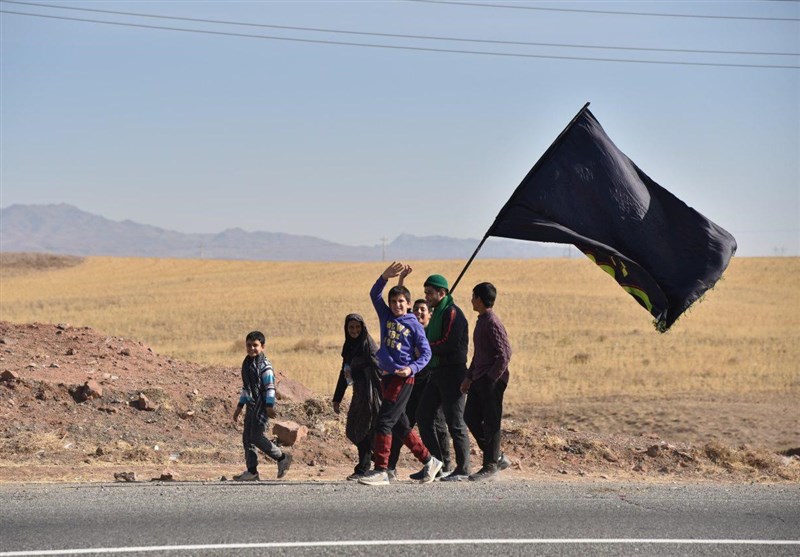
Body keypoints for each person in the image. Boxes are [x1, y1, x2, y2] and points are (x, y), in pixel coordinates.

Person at [359, 261, 443, 486]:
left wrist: (411, 368)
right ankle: (430, 461)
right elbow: (374, 294)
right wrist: (384, 277)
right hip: (386, 377)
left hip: (402, 378)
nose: (397, 304)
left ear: (408, 304)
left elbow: (426, 353)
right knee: (401, 425)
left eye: (402, 301)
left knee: (384, 422)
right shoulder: (386, 317)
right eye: (394, 301)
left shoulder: (413, 323)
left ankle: (382, 470)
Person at [387, 298, 453, 479]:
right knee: (402, 425)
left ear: (430, 314)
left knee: (436, 425)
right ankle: (390, 466)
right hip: (411, 386)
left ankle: (443, 465)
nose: (418, 312)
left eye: (423, 309)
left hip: (430, 384)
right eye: (415, 309)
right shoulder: (410, 330)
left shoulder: (432, 334)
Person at [415, 273, 472, 482]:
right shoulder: (437, 312)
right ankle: (436, 463)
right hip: (436, 373)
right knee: (423, 415)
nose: (427, 296)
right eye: (425, 293)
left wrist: (425, 349)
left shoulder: (453, 313)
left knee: (455, 422)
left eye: (430, 293)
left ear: (442, 293)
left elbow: (449, 343)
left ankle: (463, 468)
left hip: (453, 373)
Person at [461, 282, 513, 481]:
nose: (471, 300)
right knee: (470, 417)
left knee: (491, 422)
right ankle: (497, 457)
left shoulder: (492, 322)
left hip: (492, 380)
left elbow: (505, 353)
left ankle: (490, 464)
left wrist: (491, 379)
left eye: (473, 296)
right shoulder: (481, 320)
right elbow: (479, 354)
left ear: (480, 300)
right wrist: (469, 377)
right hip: (480, 378)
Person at [232, 330, 292, 481]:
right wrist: (240, 406)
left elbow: (270, 387)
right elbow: (247, 387)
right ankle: (252, 471)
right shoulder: (247, 363)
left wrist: (269, 405)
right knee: (247, 437)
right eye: (249, 345)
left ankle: (282, 457)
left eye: (255, 345)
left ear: (262, 347)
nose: (252, 348)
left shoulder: (265, 366)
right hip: (252, 405)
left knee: (257, 436)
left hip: (263, 405)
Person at [332, 313, 382, 481]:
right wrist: (337, 398)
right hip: (359, 392)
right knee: (353, 429)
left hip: (371, 392)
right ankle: (374, 459)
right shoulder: (349, 346)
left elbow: (379, 367)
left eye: (357, 327)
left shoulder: (368, 345)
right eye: (351, 327)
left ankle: (363, 467)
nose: (354, 330)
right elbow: (344, 372)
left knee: (364, 430)